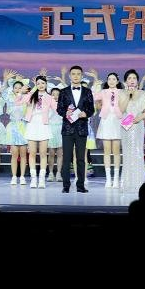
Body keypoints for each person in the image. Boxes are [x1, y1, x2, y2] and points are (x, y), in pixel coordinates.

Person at [57, 65, 95, 193]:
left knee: (81, 159)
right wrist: (65, 112)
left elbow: (91, 109)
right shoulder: (64, 91)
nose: (76, 76)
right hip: (67, 129)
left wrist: (86, 113)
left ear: (82, 76)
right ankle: (66, 186)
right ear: (70, 76)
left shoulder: (87, 92)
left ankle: (80, 185)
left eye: (78, 74)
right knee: (66, 158)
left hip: (81, 129)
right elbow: (59, 108)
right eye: (73, 74)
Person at [93, 70, 125, 187]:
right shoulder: (103, 92)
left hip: (117, 120)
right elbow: (94, 97)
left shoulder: (122, 92)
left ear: (117, 81)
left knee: (116, 151)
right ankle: (108, 179)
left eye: (113, 79)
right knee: (106, 151)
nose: (111, 81)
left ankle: (116, 178)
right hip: (106, 121)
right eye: (109, 79)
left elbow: (126, 103)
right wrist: (96, 85)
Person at [120, 73, 145, 195]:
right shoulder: (122, 93)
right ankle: (127, 183)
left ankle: (139, 183)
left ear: (137, 81)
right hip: (126, 126)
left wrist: (139, 118)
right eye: (129, 78)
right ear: (126, 81)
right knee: (127, 153)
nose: (132, 80)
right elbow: (121, 110)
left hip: (138, 125)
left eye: (134, 78)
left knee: (138, 152)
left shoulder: (143, 94)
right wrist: (128, 95)